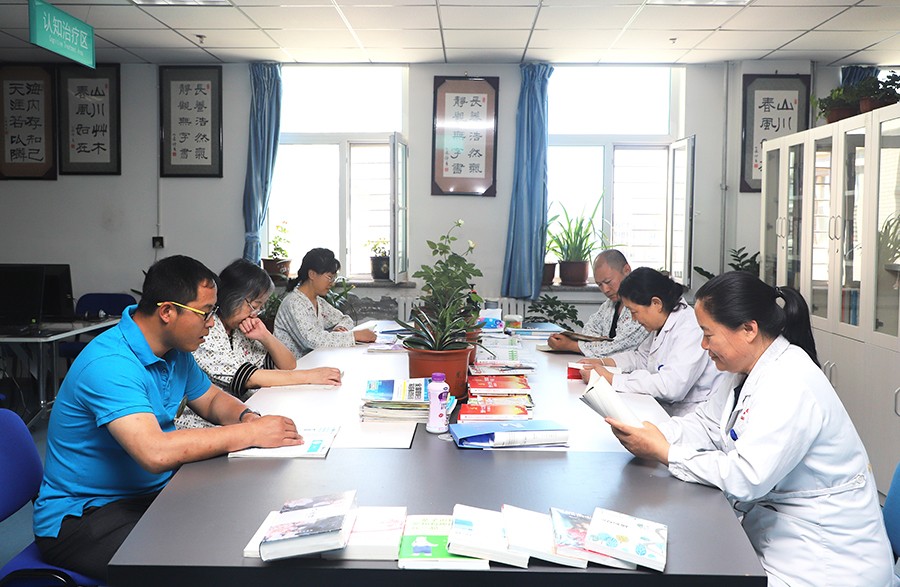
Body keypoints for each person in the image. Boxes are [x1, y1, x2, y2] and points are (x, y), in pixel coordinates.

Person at [607, 271, 896, 586]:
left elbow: (746, 477)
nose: (703, 345)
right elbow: (705, 424)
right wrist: (655, 434)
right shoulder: (744, 372)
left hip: (826, 564)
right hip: (779, 538)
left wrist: (666, 452)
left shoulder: (791, 383)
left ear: (748, 329)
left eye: (708, 334)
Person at [32, 255, 304, 581]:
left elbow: (212, 399)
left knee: (247, 517)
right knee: (203, 569)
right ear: (167, 312)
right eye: (206, 313)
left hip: (150, 494)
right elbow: (155, 452)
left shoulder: (175, 352)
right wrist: (252, 434)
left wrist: (248, 418)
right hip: (86, 515)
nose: (212, 323)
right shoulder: (110, 363)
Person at [175, 259, 342, 429]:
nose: (255, 314)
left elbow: (288, 365)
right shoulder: (205, 331)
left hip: (243, 411)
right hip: (209, 422)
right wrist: (310, 376)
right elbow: (249, 378)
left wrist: (265, 336)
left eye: (259, 308)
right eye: (254, 306)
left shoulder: (240, 330)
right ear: (232, 297)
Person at [579, 267, 724, 416]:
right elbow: (640, 358)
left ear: (656, 303)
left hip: (691, 414)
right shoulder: (661, 324)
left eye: (634, 312)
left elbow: (671, 387)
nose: (634, 319)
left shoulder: (690, 328)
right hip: (665, 409)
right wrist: (603, 362)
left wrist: (612, 379)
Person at [274, 248, 376, 357]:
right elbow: (311, 340)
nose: (332, 283)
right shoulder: (294, 303)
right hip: (294, 366)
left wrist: (340, 329)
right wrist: (353, 336)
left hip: (313, 361)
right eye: (329, 277)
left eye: (333, 278)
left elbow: (345, 319)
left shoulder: (318, 302)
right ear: (312, 274)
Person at [546, 249, 648, 356]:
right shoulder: (609, 304)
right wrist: (600, 344)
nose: (605, 290)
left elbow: (621, 347)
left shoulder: (642, 304)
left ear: (626, 270)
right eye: (600, 285)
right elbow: (588, 331)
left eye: (608, 282)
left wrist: (571, 345)